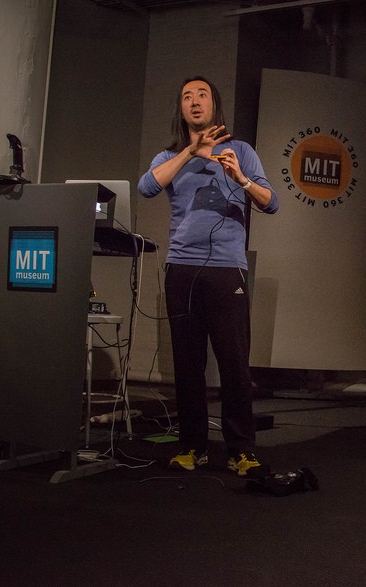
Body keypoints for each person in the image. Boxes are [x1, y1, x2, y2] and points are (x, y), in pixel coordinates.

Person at [139, 75, 279, 476]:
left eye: (202, 95)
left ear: (214, 105)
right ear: (181, 109)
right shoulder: (168, 157)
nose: (195, 101)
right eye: (187, 96)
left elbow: (272, 204)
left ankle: (241, 450)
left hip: (227, 269)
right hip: (182, 269)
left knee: (235, 363)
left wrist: (242, 180)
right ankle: (192, 447)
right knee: (187, 364)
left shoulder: (242, 152)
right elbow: (147, 187)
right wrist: (189, 153)